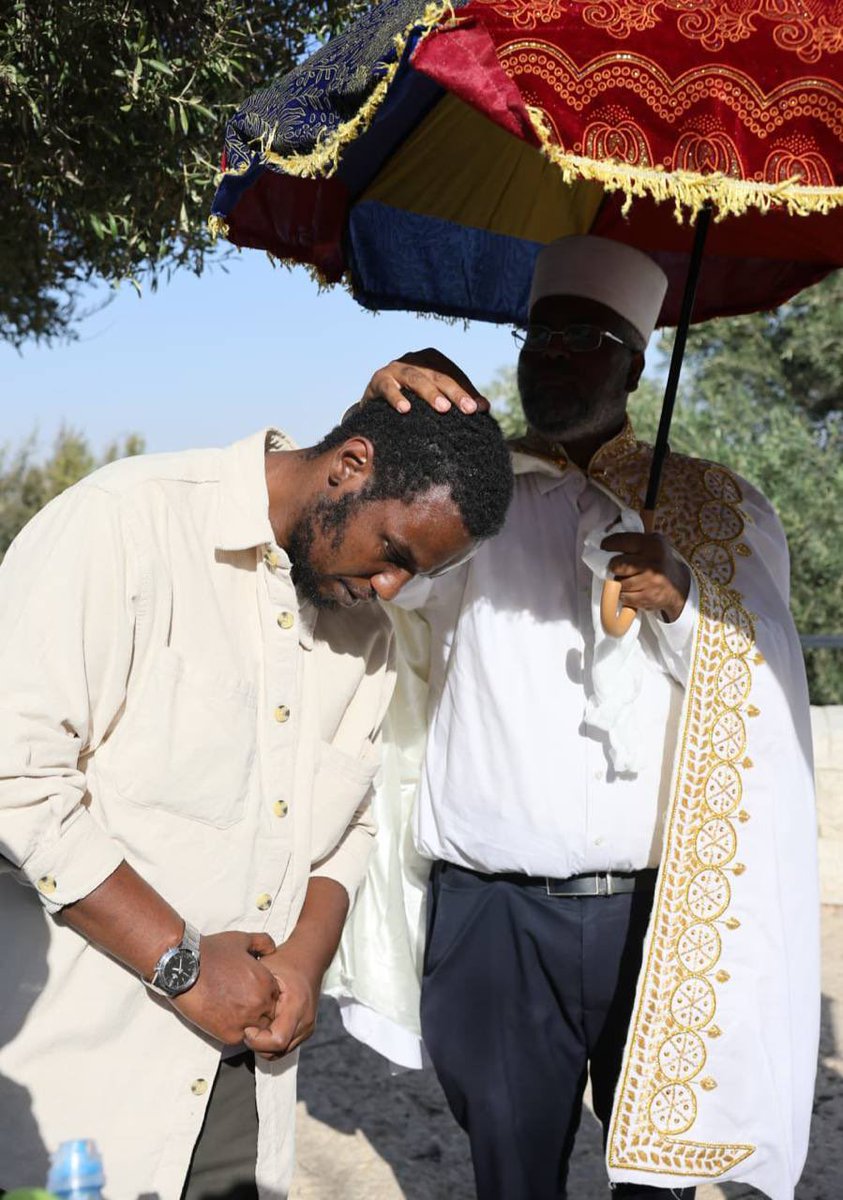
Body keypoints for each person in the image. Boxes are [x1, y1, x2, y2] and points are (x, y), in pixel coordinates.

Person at [331, 236, 819, 1200]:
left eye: (584, 337)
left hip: (655, 916)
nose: (552, 355)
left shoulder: (719, 508)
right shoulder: (467, 496)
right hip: (494, 913)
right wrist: (376, 419)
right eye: (540, 335)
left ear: (635, 362)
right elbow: (371, 589)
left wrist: (683, 601)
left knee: (654, 1179)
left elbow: (768, 685)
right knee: (511, 1175)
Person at [0, 395, 513, 1200]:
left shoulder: (363, 631)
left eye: (416, 575)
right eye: (392, 551)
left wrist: (305, 963)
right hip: (82, 1076)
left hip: (247, 1086)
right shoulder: (123, 526)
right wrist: (184, 966)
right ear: (350, 466)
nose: (388, 587)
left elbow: (354, 823)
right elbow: (15, 781)